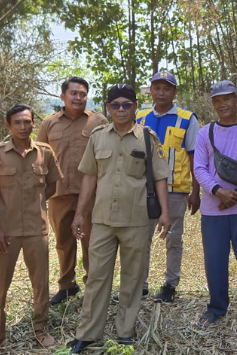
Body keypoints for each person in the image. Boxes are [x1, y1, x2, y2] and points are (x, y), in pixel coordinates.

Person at [67, 84, 172, 353]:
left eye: (127, 104)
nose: (121, 109)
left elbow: (160, 177)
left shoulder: (147, 138)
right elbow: (89, 177)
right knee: (96, 278)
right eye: (115, 105)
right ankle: (88, 333)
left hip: (136, 220)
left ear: (135, 106)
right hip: (102, 220)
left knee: (133, 278)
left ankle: (125, 332)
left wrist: (165, 212)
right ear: (108, 107)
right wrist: (79, 214)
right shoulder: (98, 137)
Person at [0, 104, 63, 354]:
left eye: (27, 122)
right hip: (7, 231)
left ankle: (41, 328)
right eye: (17, 122)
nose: (23, 127)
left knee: (40, 283)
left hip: (37, 229)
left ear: (33, 123)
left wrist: (36, 204)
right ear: (8, 125)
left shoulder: (45, 152)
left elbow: (52, 186)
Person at [193, 81, 237, 329]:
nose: (222, 104)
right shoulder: (205, 133)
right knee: (215, 261)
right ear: (213, 104)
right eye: (217, 100)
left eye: (227, 98)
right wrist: (217, 191)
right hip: (213, 211)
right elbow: (199, 168)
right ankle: (216, 307)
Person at [37, 77, 108, 305]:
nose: (78, 98)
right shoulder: (49, 123)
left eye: (83, 94)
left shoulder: (98, 121)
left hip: (91, 195)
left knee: (91, 242)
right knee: (63, 242)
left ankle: (93, 286)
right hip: (59, 193)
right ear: (63, 96)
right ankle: (67, 285)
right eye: (73, 93)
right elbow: (39, 157)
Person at [135, 70, 201, 303]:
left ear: (174, 92)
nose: (161, 93)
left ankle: (170, 285)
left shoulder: (187, 118)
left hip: (175, 189)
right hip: (144, 190)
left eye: (167, 88)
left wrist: (196, 191)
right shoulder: (140, 117)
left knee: (173, 239)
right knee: (141, 239)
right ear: (151, 91)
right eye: (157, 88)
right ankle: (140, 285)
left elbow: (194, 157)